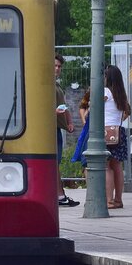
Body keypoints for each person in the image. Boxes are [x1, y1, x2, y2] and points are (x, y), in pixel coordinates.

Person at [103, 65, 132, 209]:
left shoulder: (106, 92)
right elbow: (127, 111)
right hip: (119, 131)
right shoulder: (121, 94)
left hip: (106, 132)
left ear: (107, 77)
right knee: (117, 166)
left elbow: (94, 106)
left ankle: (108, 201)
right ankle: (118, 200)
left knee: (106, 166)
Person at [54, 54, 78, 207]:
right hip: (50, 129)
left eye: (59, 66)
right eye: (54, 66)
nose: (57, 69)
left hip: (57, 127)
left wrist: (69, 121)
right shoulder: (46, 85)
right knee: (54, 163)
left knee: (56, 162)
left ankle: (59, 194)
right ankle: (60, 195)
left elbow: (63, 105)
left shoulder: (57, 86)